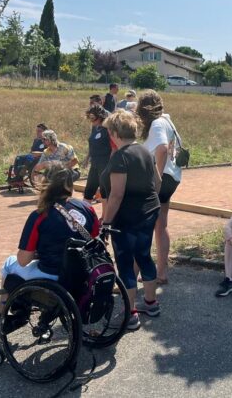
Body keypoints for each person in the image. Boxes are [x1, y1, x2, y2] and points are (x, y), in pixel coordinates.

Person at [0, 163, 99, 334]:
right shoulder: (87, 208)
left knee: (10, 264)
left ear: (46, 185)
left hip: (54, 276)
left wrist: (39, 253)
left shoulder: (40, 215)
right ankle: (41, 316)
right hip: (82, 273)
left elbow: (23, 260)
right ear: (70, 184)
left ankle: (2, 318)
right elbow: (93, 239)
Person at [99, 110, 161, 329]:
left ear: (115, 132)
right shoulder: (145, 151)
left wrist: (105, 223)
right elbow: (158, 182)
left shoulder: (120, 156)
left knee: (125, 262)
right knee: (144, 255)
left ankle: (130, 313)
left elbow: (116, 194)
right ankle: (151, 303)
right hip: (149, 210)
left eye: (109, 132)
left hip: (127, 217)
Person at [136, 90, 182, 284]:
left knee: (141, 227)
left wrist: (157, 178)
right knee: (160, 226)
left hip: (160, 180)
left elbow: (162, 148)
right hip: (173, 178)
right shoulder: (167, 121)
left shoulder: (156, 124)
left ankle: (132, 275)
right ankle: (161, 273)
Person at [81, 105, 111, 205]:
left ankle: (105, 218)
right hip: (94, 163)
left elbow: (114, 147)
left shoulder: (108, 129)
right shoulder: (95, 128)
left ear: (100, 116)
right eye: (89, 118)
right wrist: (87, 158)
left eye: (93, 118)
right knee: (89, 189)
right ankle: (84, 212)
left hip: (105, 163)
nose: (91, 120)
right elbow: (91, 144)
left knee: (104, 191)